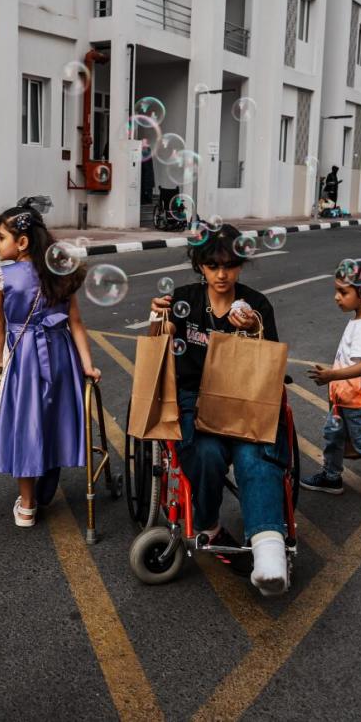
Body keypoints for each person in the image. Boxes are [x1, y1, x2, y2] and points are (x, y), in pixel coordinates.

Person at [149, 224, 291, 594]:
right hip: (193, 403)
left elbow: (269, 367)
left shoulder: (256, 305)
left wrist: (255, 330)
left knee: (254, 455)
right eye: (213, 266)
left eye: (230, 265)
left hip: (243, 402)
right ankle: (209, 525)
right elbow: (160, 354)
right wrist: (158, 320)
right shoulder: (183, 300)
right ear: (200, 266)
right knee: (207, 453)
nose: (222, 274)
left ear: (240, 265)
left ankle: (268, 552)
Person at [0, 200, 100, 525]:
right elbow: (76, 322)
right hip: (62, 356)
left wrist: (1, 364)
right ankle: (49, 477)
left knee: (26, 425)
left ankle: (27, 503)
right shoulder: (60, 271)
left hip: (23, 361)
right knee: (52, 419)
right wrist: (87, 365)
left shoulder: (0, 277)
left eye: (0, 237)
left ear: (21, 243)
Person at [300, 256, 361, 520]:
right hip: (345, 397)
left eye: (343, 292)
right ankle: (331, 477)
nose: (336, 297)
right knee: (334, 436)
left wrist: (333, 373)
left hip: (358, 400)